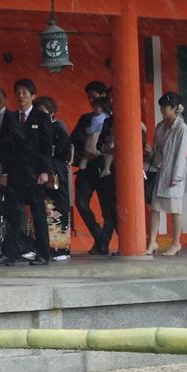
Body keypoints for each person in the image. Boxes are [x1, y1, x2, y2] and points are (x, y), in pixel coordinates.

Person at [0, 78, 53, 266]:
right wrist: (5, 171)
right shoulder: (10, 118)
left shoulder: (41, 118)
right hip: (16, 173)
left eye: (25, 92)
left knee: (38, 214)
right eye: (18, 92)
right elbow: (3, 146)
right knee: (14, 214)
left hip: (35, 173)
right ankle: (9, 254)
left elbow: (46, 146)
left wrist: (44, 170)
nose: (21, 96)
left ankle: (43, 254)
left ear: (33, 96)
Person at [147, 91, 187, 257]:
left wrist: (176, 177)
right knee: (154, 208)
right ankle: (152, 241)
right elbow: (157, 149)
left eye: (166, 107)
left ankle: (176, 243)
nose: (163, 110)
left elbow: (181, 154)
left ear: (175, 108)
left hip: (174, 172)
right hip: (160, 170)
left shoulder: (181, 128)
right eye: (162, 107)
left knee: (175, 209)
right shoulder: (160, 125)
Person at [72, 82, 110, 254]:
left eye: (93, 96)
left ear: (103, 96)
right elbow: (74, 139)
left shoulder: (113, 118)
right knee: (80, 202)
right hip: (87, 165)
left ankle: (102, 243)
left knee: (108, 207)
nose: (90, 101)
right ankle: (99, 235)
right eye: (89, 98)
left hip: (105, 166)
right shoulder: (85, 118)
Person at [36, 96, 72, 261]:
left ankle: (62, 248)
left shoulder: (58, 127)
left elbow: (64, 150)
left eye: (43, 110)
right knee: (43, 208)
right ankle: (45, 245)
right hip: (41, 171)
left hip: (57, 171)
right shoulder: (36, 128)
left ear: (51, 111)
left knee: (59, 207)